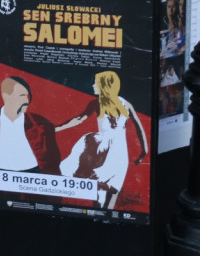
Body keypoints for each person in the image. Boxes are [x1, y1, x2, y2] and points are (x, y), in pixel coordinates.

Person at [55, 71, 149, 209]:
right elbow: (139, 128)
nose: (93, 85)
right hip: (114, 152)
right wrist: (144, 150)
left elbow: (79, 119)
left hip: (105, 150)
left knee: (102, 191)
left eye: (96, 83)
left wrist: (56, 129)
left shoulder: (98, 103)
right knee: (109, 190)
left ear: (104, 85)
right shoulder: (124, 104)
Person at [0, 77, 60, 175]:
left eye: (27, 96)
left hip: (31, 177)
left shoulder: (40, 124)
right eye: (21, 95)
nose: (26, 100)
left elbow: (52, 161)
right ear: (6, 96)